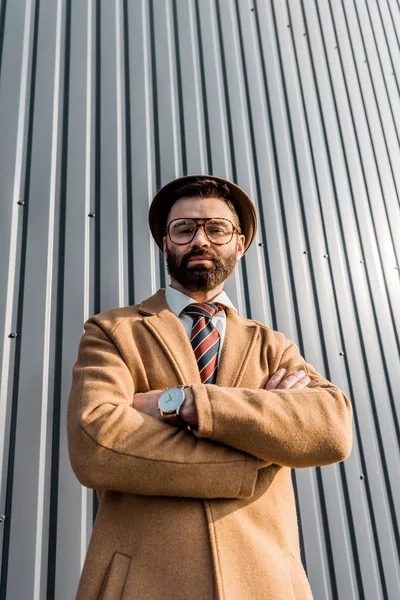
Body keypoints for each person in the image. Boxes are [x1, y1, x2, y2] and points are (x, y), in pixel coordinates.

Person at [67, 175, 353, 600]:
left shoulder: (273, 346)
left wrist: (185, 401)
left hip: (266, 584)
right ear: (166, 244)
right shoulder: (113, 331)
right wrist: (254, 453)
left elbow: (331, 429)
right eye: (184, 229)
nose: (200, 239)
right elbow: (98, 443)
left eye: (216, 228)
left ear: (239, 243)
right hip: (142, 584)